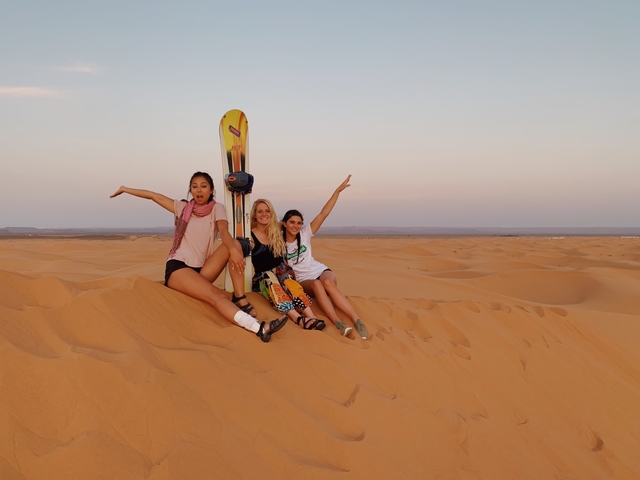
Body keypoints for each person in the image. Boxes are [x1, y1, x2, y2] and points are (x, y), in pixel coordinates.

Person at [110, 171, 287, 342]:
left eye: (203, 186)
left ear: (211, 190)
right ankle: (259, 328)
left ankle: (240, 297)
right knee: (216, 296)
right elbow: (154, 196)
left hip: (202, 269)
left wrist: (233, 250)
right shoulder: (182, 208)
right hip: (179, 268)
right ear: (190, 190)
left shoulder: (217, 208)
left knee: (234, 244)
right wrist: (125, 188)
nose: (199, 190)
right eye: (194, 186)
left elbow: (224, 232)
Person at [282, 175, 369, 339]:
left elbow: (323, 213)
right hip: (304, 281)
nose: (296, 226)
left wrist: (337, 192)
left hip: (320, 270)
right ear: (285, 223)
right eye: (292, 222)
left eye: (299, 223)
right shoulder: (279, 243)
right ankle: (337, 322)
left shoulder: (305, 233)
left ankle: (356, 319)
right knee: (317, 284)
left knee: (327, 282)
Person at [248, 199, 325, 330]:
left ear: (272, 214)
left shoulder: (276, 231)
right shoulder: (250, 235)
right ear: (254, 214)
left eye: (267, 211)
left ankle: (311, 316)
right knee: (272, 280)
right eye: (260, 211)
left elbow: (289, 224)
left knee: (289, 282)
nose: (264, 214)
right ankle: (297, 318)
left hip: (282, 273)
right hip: (264, 278)